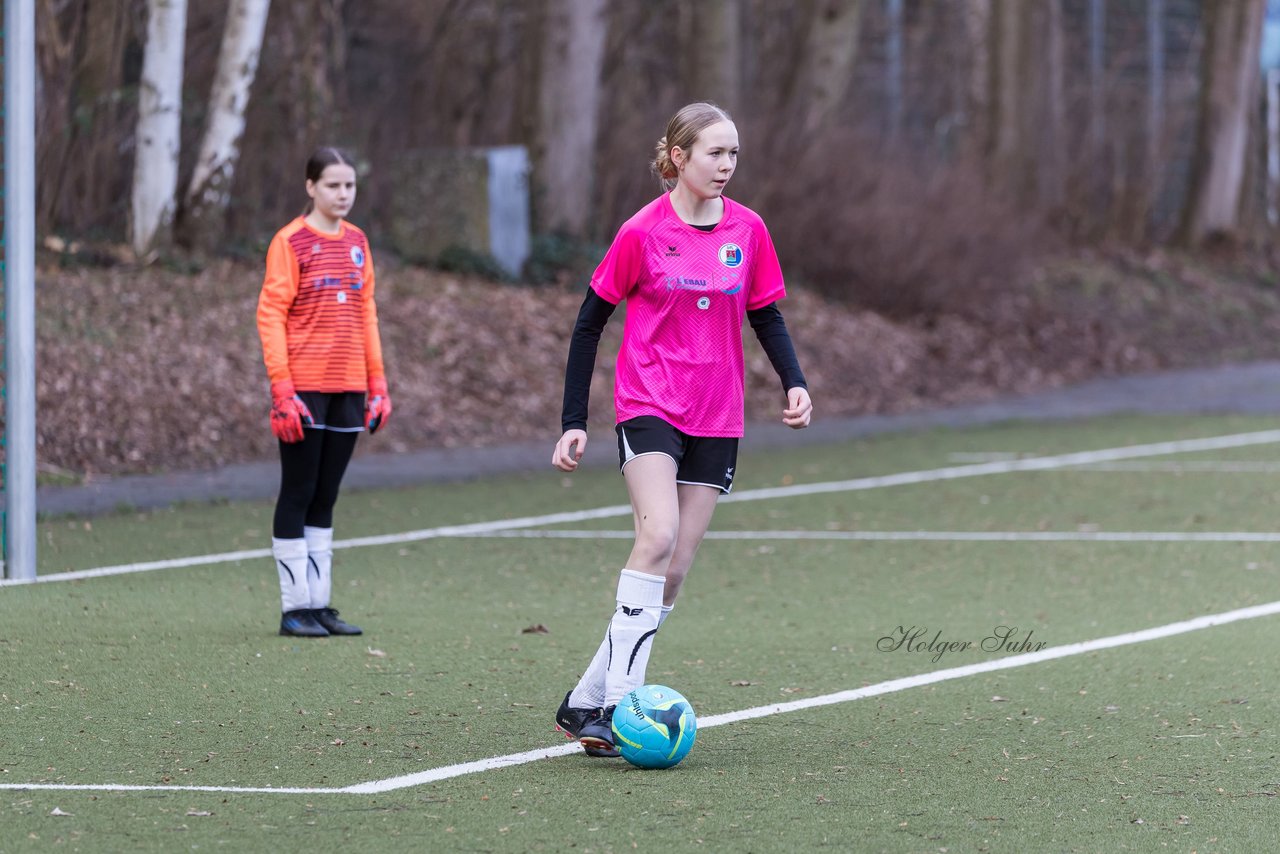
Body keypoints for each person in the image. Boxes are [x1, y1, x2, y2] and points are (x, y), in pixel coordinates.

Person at [551, 103, 813, 756]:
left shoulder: (749, 230)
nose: (726, 166)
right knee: (657, 536)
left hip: (718, 414)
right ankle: (619, 706)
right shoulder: (641, 232)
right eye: (713, 154)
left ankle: (585, 700)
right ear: (677, 158)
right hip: (649, 404)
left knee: (675, 572)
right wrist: (573, 422)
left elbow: (766, 316)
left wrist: (794, 381)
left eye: (733, 155)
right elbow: (589, 324)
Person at [256, 146, 393, 638]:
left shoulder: (358, 241)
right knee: (299, 490)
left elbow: (366, 313)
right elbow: (270, 314)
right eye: (333, 185)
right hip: (304, 387)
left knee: (327, 495)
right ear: (310, 187)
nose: (342, 194)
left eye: (349, 185)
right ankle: (294, 608)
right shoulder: (289, 242)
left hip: (349, 386)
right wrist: (282, 388)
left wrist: (377, 383)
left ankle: (319, 604)